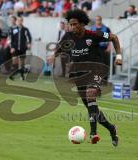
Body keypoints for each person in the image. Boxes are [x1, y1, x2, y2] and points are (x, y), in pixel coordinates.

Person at [51, 9, 121, 146]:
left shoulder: (93, 34)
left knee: (91, 94)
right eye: (70, 24)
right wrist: (54, 56)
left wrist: (118, 56)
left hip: (96, 70)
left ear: (82, 24)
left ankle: (93, 133)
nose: (72, 27)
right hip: (79, 74)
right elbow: (59, 48)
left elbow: (114, 37)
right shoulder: (68, 36)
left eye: (75, 24)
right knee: (91, 107)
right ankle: (112, 128)